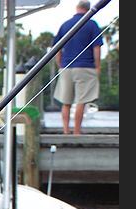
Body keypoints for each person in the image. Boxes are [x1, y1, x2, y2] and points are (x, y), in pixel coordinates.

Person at [53, 0, 103, 135]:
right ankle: (76, 131)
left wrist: (60, 64)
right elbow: (96, 48)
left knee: (66, 101)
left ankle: (65, 130)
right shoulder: (92, 25)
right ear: (88, 10)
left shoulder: (65, 25)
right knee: (81, 101)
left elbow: (56, 48)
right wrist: (97, 66)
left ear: (77, 8)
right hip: (85, 66)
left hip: (66, 66)